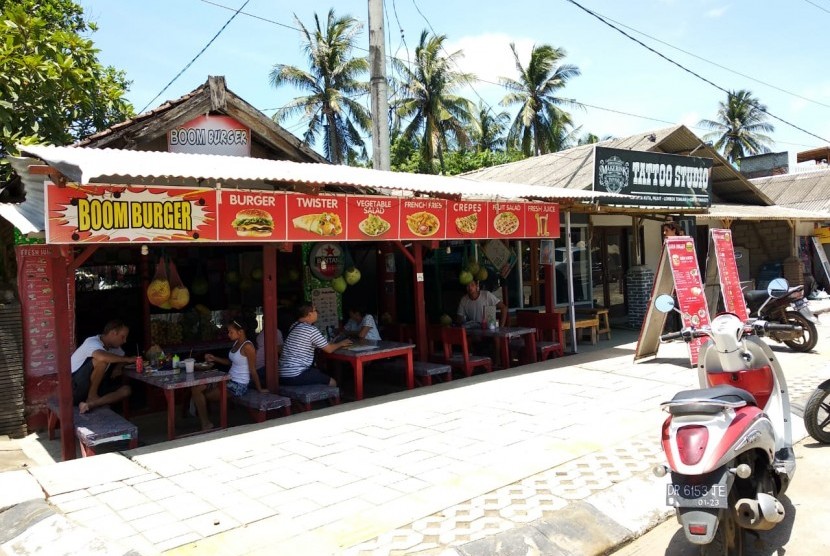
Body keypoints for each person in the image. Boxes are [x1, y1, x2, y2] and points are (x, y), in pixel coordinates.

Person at [195, 318, 266, 431]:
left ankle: (206, 422)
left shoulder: (248, 347)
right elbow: (231, 362)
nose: (228, 334)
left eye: (231, 332)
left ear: (240, 332)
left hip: (239, 385)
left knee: (206, 395)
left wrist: (260, 389)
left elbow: (252, 369)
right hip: (229, 379)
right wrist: (214, 358)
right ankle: (206, 422)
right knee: (197, 389)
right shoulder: (236, 343)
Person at [70, 320, 135, 414]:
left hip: (94, 388)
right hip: (75, 389)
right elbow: (102, 357)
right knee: (101, 361)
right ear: (113, 333)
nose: (125, 341)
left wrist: (118, 367)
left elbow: (122, 357)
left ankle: (91, 404)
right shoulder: (92, 342)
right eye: (123, 337)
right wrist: (128, 360)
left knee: (126, 390)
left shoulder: (114, 347)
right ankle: (92, 396)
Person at [279, 304, 351, 386]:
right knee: (332, 382)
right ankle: (335, 397)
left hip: (282, 374)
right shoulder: (311, 330)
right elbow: (329, 349)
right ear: (310, 314)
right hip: (296, 374)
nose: (317, 313)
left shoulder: (294, 326)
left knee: (317, 372)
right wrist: (342, 343)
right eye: (316, 311)